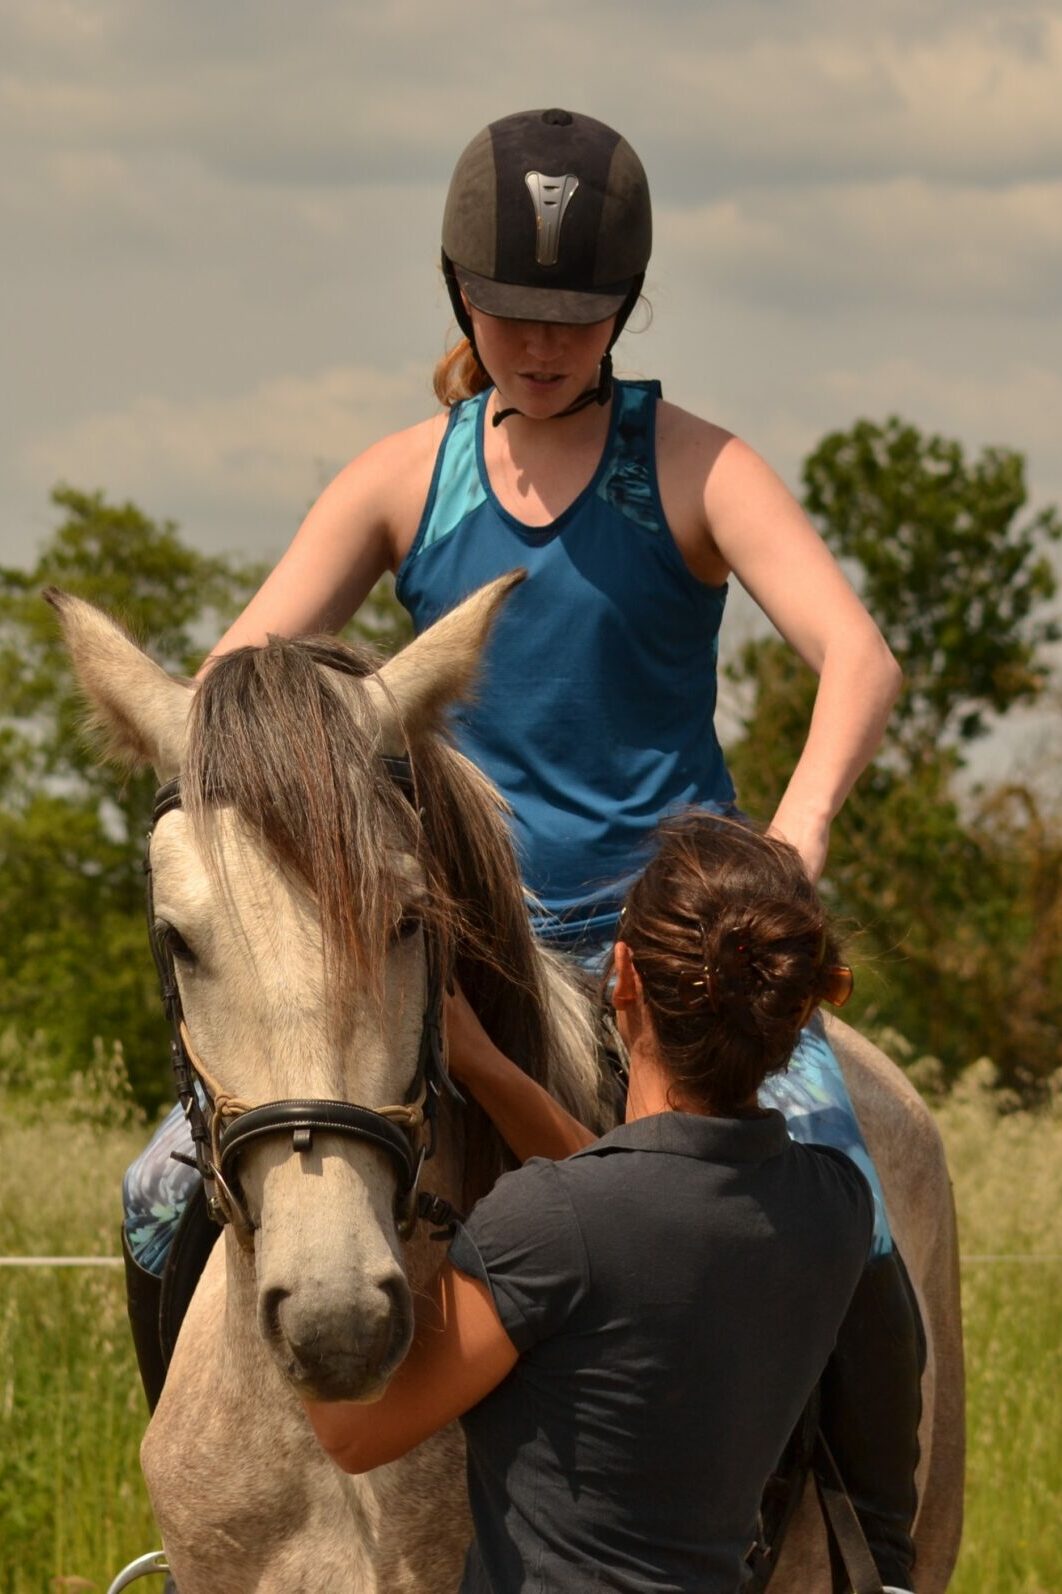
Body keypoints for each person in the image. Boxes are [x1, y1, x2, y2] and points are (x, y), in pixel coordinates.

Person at [122, 109, 920, 1589]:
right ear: (453, 295)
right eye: (507, 311)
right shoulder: (395, 479)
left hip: (672, 956)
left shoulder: (690, 462)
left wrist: (791, 842)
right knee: (160, 1185)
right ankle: (203, 1524)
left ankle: (864, 1541)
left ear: (623, 309)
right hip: (448, 946)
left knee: (846, 1193)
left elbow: (853, 656)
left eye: (576, 315)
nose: (541, 343)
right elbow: (230, 690)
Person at [303, 814, 876, 1593]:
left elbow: (354, 1433)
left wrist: (298, 1220)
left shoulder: (553, 1221)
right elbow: (639, 1212)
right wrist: (490, 1070)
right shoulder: (836, 1204)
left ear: (622, 976)